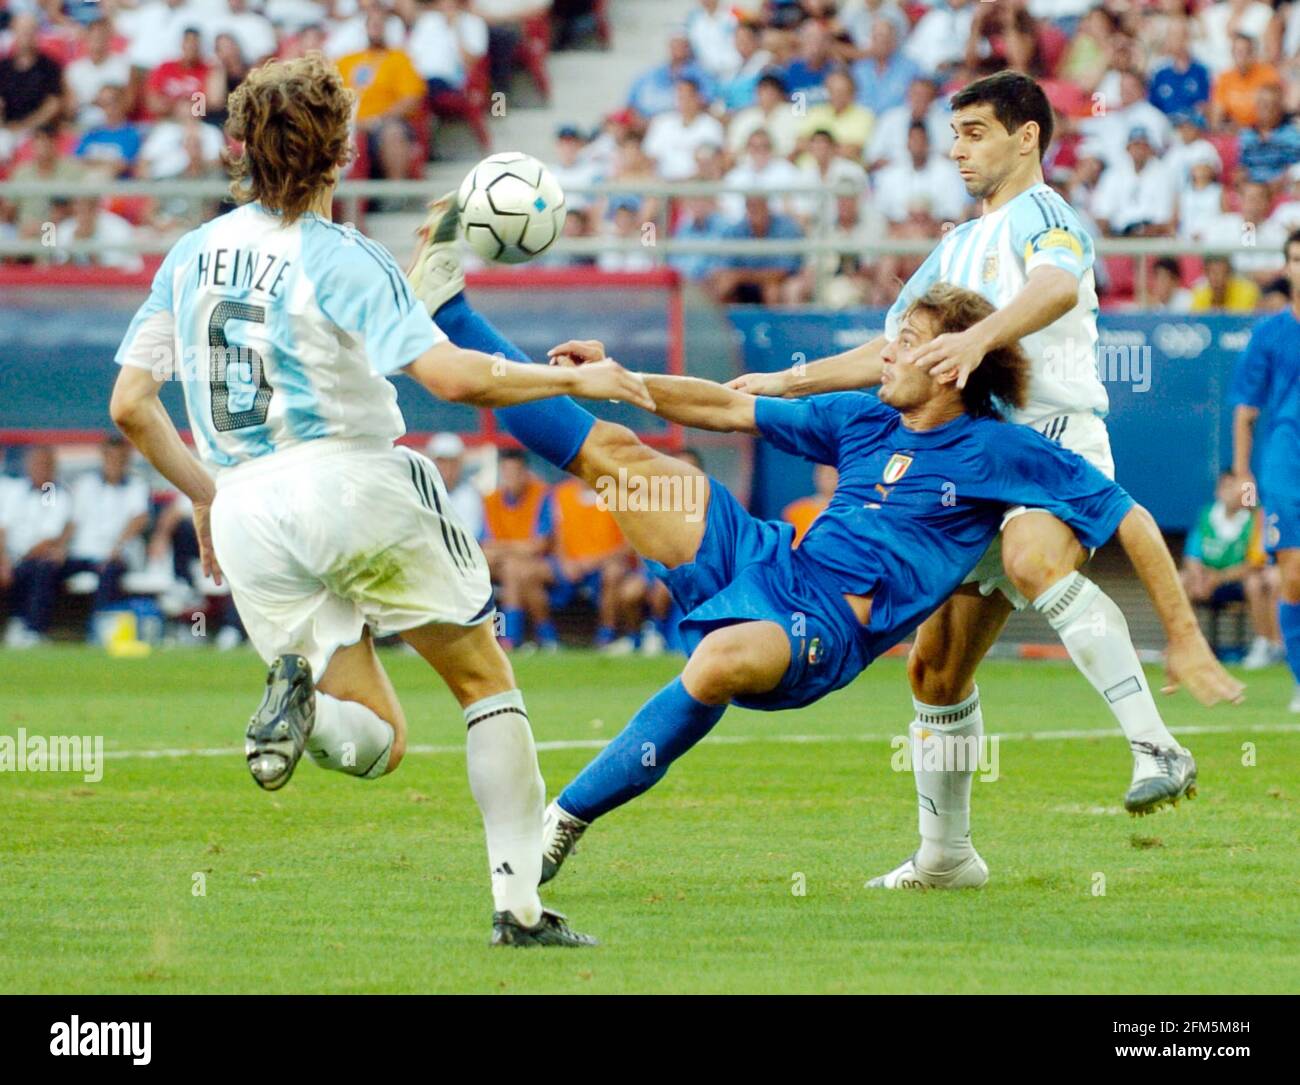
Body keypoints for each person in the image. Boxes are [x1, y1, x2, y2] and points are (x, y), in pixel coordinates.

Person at [107, 54, 651, 947]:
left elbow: (130, 403)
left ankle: (307, 708)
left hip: (246, 508)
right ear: (344, 152)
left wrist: (204, 495)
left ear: (241, 145)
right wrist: (576, 377)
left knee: (381, 741)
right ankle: (518, 909)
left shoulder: (190, 252)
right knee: (484, 683)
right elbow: (450, 375)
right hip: (354, 484)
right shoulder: (344, 256)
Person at [723, 71, 1244, 883]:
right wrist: (788, 383)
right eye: (956, 133)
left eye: (974, 132)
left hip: (1051, 440)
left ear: (1026, 135)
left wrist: (980, 339)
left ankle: (1157, 747)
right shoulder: (952, 247)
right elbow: (891, 348)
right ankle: (946, 857)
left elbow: (1055, 284)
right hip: (968, 469)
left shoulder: (1045, 215)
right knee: (934, 667)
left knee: (1036, 560)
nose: (958, 149)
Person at [1230, 229, 1300, 711]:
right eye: (1295, 259)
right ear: (1286, 267)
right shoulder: (1269, 333)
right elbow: (1246, 409)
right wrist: (1242, 473)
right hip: (1285, 459)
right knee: (1292, 575)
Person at [1181, 471, 1282, 669]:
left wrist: (1217, 579)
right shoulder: (1207, 514)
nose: (1231, 493)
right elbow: (1192, 555)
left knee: (1256, 582)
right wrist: (1199, 577)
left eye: (1236, 488)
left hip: (1238, 581)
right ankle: (1184, 644)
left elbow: (1255, 563)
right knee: (1180, 580)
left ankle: (1265, 644)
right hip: (1209, 579)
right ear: (1218, 491)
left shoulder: (1256, 516)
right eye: (1226, 487)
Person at [64, 435, 151, 622]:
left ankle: (100, 625)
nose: (115, 463)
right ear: (103, 457)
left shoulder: (136, 486)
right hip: (83, 553)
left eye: (120, 458)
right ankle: (32, 628)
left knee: (108, 571)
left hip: (116, 555)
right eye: (111, 457)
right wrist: (59, 548)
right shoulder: (86, 484)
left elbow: (139, 518)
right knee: (44, 568)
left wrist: (117, 547)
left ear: (127, 460)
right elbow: (73, 522)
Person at [0, 447, 73, 649]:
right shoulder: (15, 491)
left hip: (30, 557)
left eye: (45, 465)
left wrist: (18, 561)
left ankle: (30, 627)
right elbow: (3, 528)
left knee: (40, 568)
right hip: (8, 556)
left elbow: (49, 536)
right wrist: (4, 560)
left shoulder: (51, 493)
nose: (40, 469)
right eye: (36, 464)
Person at [426, 432, 484, 540]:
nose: (447, 468)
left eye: (452, 462)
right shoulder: (420, 493)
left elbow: (469, 536)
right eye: (442, 462)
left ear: (460, 464)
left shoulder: (470, 496)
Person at [782, 463, 837, 546]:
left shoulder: (849, 512)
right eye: (823, 474)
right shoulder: (795, 511)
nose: (828, 479)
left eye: (832, 475)